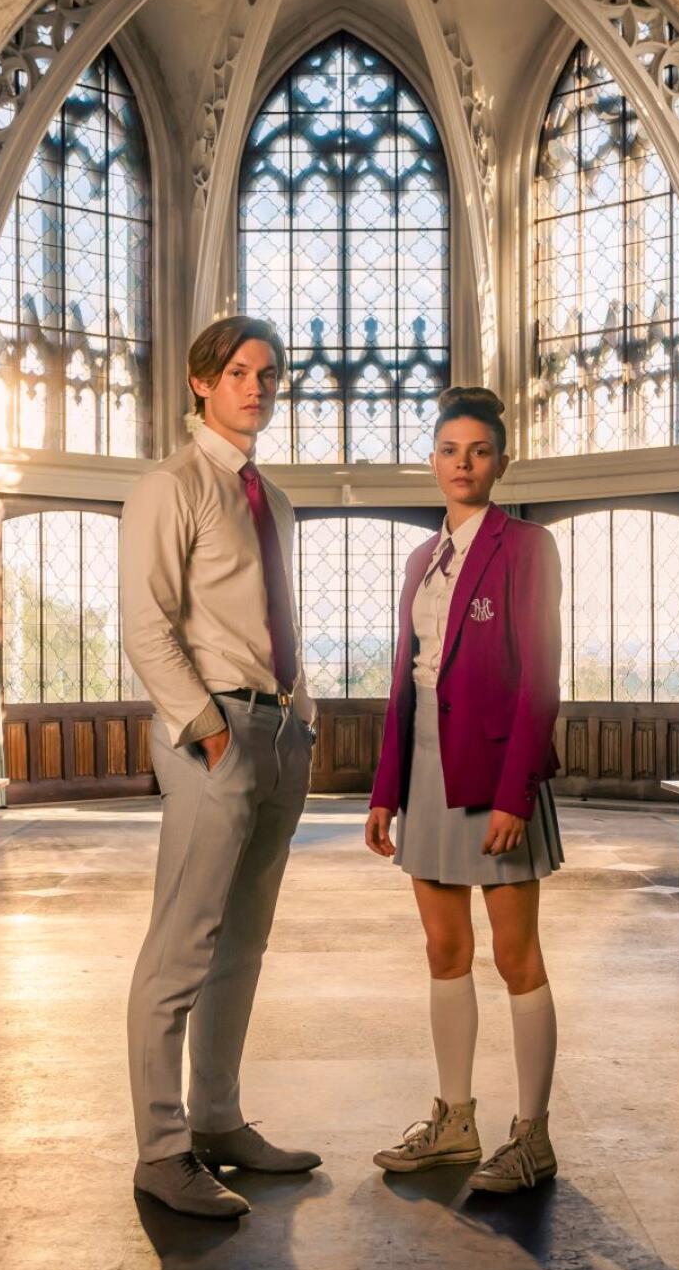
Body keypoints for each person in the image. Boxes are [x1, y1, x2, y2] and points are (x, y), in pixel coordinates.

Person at [119, 316, 321, 1219]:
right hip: (218, 731)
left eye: (270, 375)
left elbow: (274, 615)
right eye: (240, 372)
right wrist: (205, 729)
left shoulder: (270, 500)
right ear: (201, 382)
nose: (257, 387)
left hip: (280, 732)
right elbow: (146, 623)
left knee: (244, 942)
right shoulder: (171, 485)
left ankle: (218, 1119)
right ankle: (162, 1152)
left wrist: (302, 711)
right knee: (182, 947)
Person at [364, 386, 564, 1193]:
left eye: (478, 450)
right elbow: (405, 684)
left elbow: (540, 678)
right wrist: (385, 790)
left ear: (501, 462)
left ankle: (532, 1134)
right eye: (449, 450)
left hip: (495, 773)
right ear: (432, 460)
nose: (463, 464)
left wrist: (516, 794)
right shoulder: (420, 560)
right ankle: (455, 1120)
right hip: (424, 768)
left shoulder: (527, 547)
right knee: (445, 950)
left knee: (516, 956)